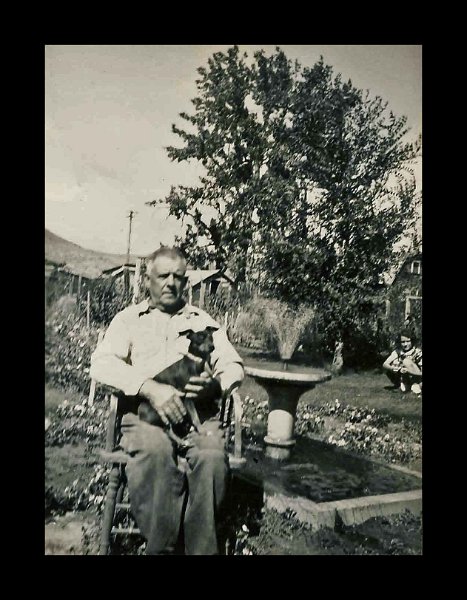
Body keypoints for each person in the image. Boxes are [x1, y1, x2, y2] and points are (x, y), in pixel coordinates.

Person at [90, 247, 244, 555]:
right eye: (163, 276)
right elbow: (102, 364)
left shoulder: (203, 321)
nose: (171, 283)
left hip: (199, 419)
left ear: (186, 282)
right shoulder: (129, 320)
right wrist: (148, 387)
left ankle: (201, 551)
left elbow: (233, 366)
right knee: (156, 452)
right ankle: (163, 549)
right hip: (146, 418)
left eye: (178, 277)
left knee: (212, 458)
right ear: (148, 280)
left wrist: (214, 386)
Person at [382, 329, 422, 395]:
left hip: (417, 377)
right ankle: (403, 385)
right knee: (392, 364)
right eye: (403, 342)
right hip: (404, 376)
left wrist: (409, 371)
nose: (405, 344)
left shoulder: (418, 352)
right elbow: (385, 364)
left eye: (408, 341)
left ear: (412, 341)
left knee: (406, 361)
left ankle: (414, 385)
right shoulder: (398, 352)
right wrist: (397, 369)